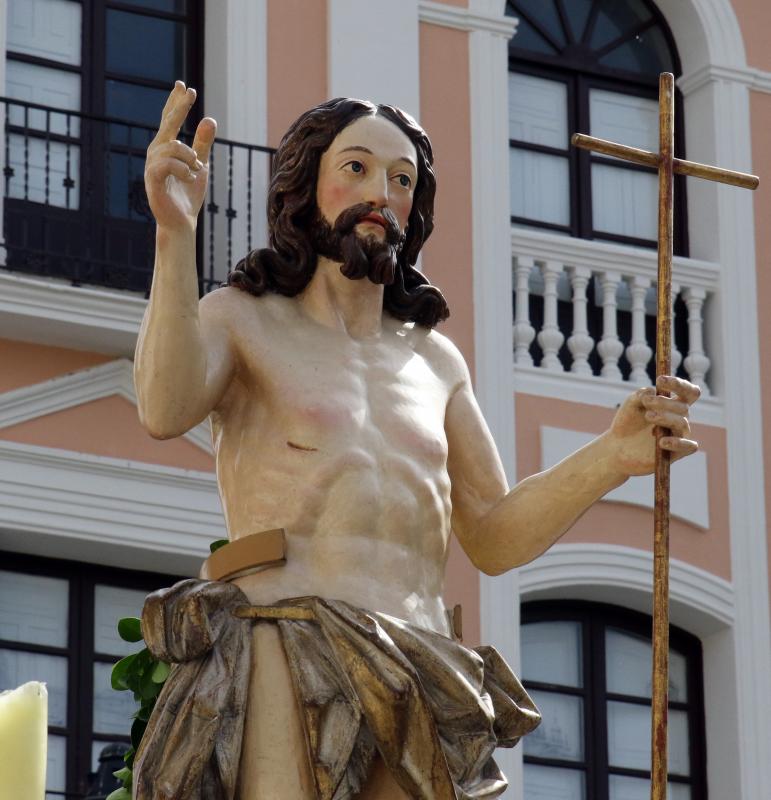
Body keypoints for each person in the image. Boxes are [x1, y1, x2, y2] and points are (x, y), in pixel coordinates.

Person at [134, 81, 700, 800]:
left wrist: (612, 456)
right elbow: (163, 405)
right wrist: (173, 234)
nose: (381, 192)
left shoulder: (435, 361)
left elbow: (493, 536)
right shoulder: (242, 320)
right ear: (306, 188)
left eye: (402, 179)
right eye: (357, 168)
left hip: (420, 660)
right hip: (286, 636)